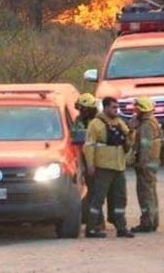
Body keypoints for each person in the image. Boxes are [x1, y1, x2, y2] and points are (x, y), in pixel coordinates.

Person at [83, 96, 134, 238]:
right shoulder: (95, 124)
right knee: (98, 198)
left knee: (120, 198)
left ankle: (121, 227)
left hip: (119, 166)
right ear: (105, 108)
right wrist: (90, 164)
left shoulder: (119, 122)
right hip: (103, 167)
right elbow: (89, 146)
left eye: (117, 107)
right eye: (113, 107)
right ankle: (92, 228)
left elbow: (128, 140)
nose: (116, 110)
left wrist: (131, 130)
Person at [129, 96, 162, 233]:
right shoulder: (153, 122)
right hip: (152, 162)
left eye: (137, 109)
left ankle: (147, 222)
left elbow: (145, 146)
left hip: (146, 164)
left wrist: (141, 163)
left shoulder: (146, 125)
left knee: (145, 194)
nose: (135, 112)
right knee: (151, 192)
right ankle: (153, 221)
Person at [74, 93, 105, 231]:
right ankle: (93, 219)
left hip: (100, 161)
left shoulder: (100, 122)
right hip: (88, 160)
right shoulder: (80, 120)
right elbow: (75, 133)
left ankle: (97, 221)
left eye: (83, 109)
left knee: (95, 192)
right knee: (93, 191)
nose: (81, 112)